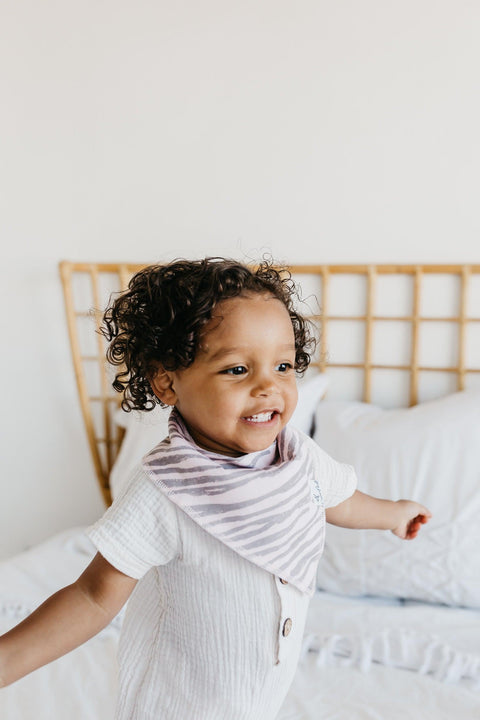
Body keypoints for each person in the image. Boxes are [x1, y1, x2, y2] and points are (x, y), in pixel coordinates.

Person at [0, 258, 431, 719]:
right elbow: (92, 595)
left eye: (283, 365)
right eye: (236, 370)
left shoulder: (295, 456)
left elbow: (337, 499)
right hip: (176, 705)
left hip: (255, 697)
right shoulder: (164, 490)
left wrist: (393, 513)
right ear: (167, 381)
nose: (268, 386)